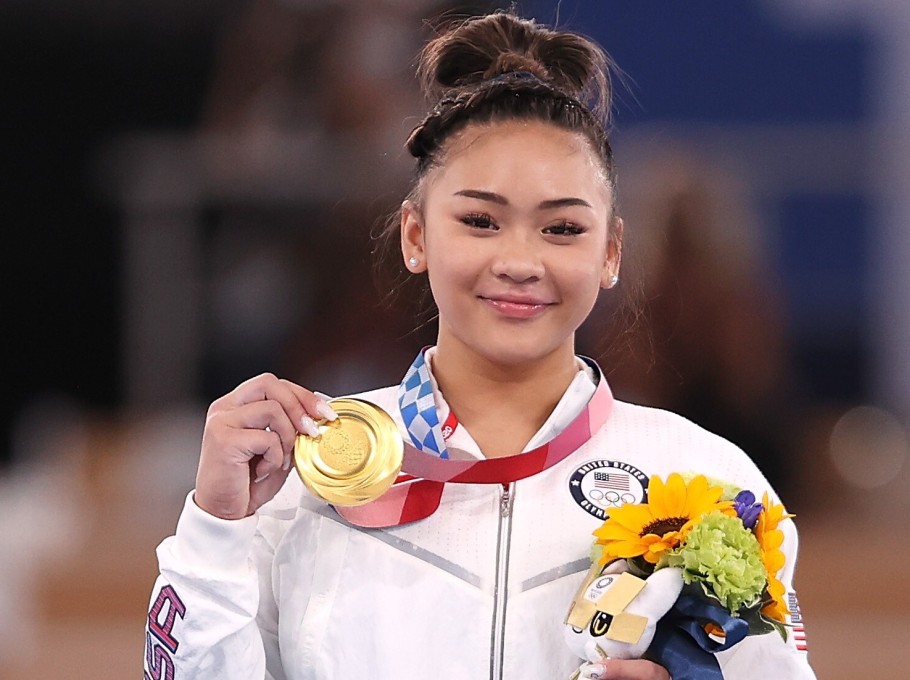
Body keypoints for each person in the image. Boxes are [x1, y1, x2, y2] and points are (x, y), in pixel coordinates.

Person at [145, 11, 816, 680]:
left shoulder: (708, 483)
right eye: (479, 221)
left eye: (561, 229)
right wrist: (216, 524)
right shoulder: (300, 481)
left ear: (611, 251)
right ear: (416, 236)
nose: (520, 261)